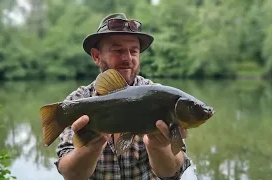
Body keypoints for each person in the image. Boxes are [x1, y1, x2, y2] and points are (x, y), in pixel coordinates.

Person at [54, 13, 192, 180]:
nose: (127, 58)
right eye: (117, 50)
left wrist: (158, 148)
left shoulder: (159, 96)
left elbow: (173, 173)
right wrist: (89, 149)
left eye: (134, 51)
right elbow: (70, 175)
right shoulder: (77, 101)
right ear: (97, 56)